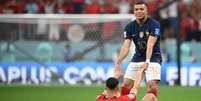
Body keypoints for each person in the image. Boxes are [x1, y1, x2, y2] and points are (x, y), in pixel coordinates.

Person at [114, 1, 162, 101]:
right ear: (134, 11)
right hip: (137, 58)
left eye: (141, 9)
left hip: (153, 58)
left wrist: (147, 61)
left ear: (146, 11)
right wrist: (118, 63)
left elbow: (150, 44)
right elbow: (126, 46)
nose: (139, 11)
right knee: (126, 84)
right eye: (136, 9)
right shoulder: (129, 27)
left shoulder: (154, 24)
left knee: (151, 85)